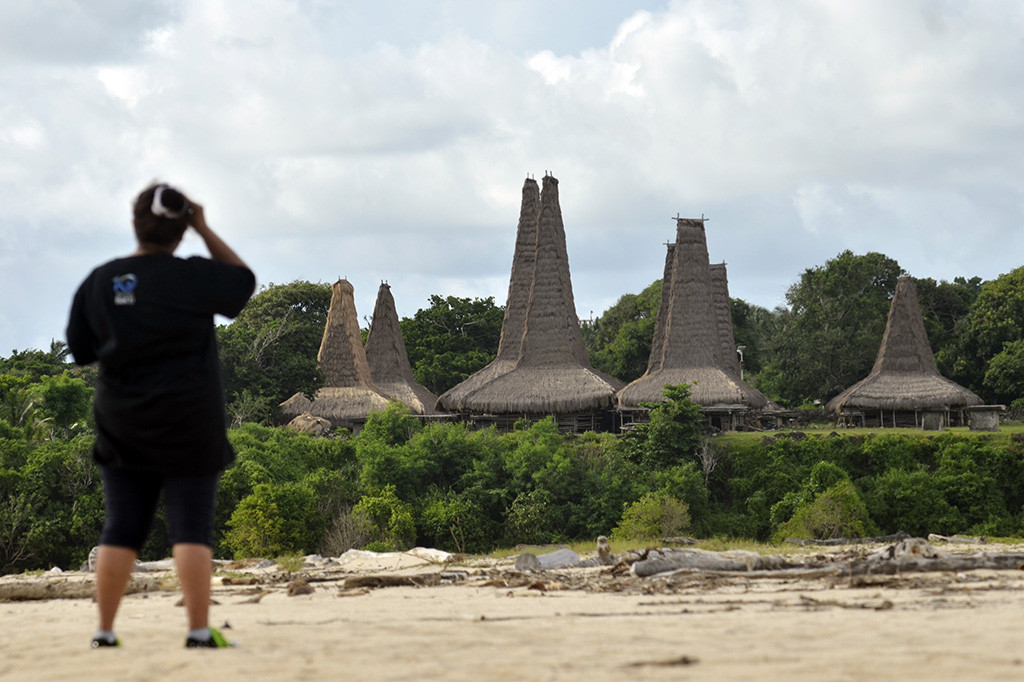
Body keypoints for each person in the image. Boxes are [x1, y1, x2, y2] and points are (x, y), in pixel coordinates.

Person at [66, 182, 256, 649]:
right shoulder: (193, 276)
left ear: (135, 223)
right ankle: (196, 632)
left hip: (122, 419)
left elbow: (81, 348)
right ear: (182, 230)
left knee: (122, 525)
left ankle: (105, 633)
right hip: (190, 418)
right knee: (192, 525)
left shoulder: (104, 279)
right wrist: (205, 228)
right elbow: (242, 281)